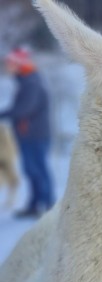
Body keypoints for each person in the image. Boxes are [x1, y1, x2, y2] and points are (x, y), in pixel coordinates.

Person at [0, 48, 54, 218]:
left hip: (35, 135)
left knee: (37, 169)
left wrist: (3, 114)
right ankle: (35, 204)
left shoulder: (31, 82)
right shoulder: (26, 80)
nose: (7, 67)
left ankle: (48, 205)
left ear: (18, 64)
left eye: (10, 63)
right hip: (28, 135)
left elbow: (24, 109)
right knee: (31, 170)